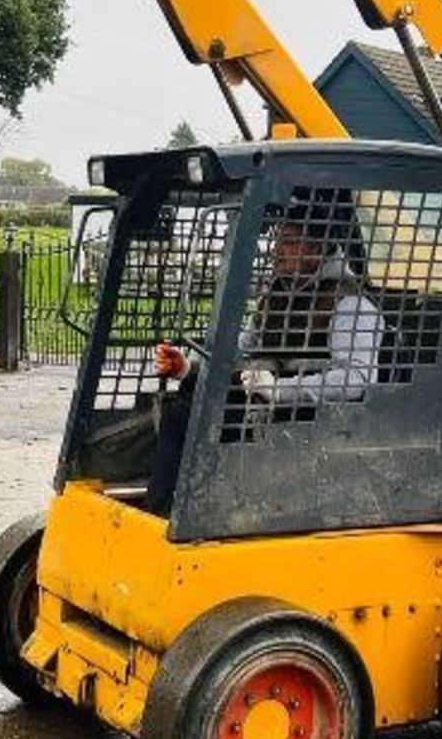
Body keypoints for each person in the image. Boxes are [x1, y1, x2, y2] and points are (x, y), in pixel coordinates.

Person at [145, 193, 385, 508]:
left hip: (320, 424)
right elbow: (242, 352)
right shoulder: (277, 296)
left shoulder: (350, 303)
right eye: (277, 240)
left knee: (219, 418)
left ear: (315, 247)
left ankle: (208, 507)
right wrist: (189, 369)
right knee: (186, 409)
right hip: (271, 411)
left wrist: (279, 390)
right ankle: (169, 507)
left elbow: (357, 379)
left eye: (287, 242)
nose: (275, 251)